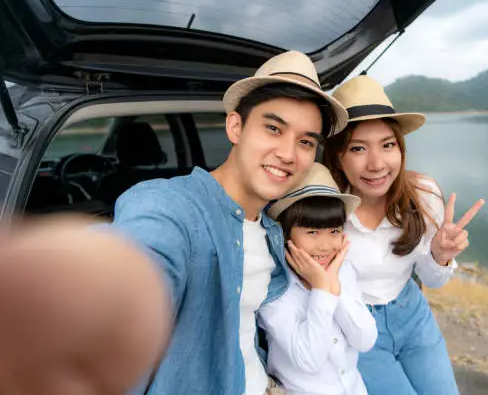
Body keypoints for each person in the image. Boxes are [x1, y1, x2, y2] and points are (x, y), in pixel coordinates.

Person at [0, 50, 348, 395]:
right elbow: (132, 283)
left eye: (305, 142)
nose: (288, 153)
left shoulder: (273, 230)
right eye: (273, 128)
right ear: (235, 127)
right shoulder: (166, 205)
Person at [322, 75, 485, 395]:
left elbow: (434, 280)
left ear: (401, 148)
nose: (377, 164)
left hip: (413, 316)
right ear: (338, 156)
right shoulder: (325, 212)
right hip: (357, 329)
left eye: (388, 145)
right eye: (358, 148)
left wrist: (440, 255)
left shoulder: (423, 195)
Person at [258, 163, 377, 395]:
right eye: (312, 232)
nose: (325, 246)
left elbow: (365, 340)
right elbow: (309, 361)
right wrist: (322, 290)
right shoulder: (274, 290)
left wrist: (332, 283)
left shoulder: (343, 271)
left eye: (334, 231)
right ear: (285, 232)